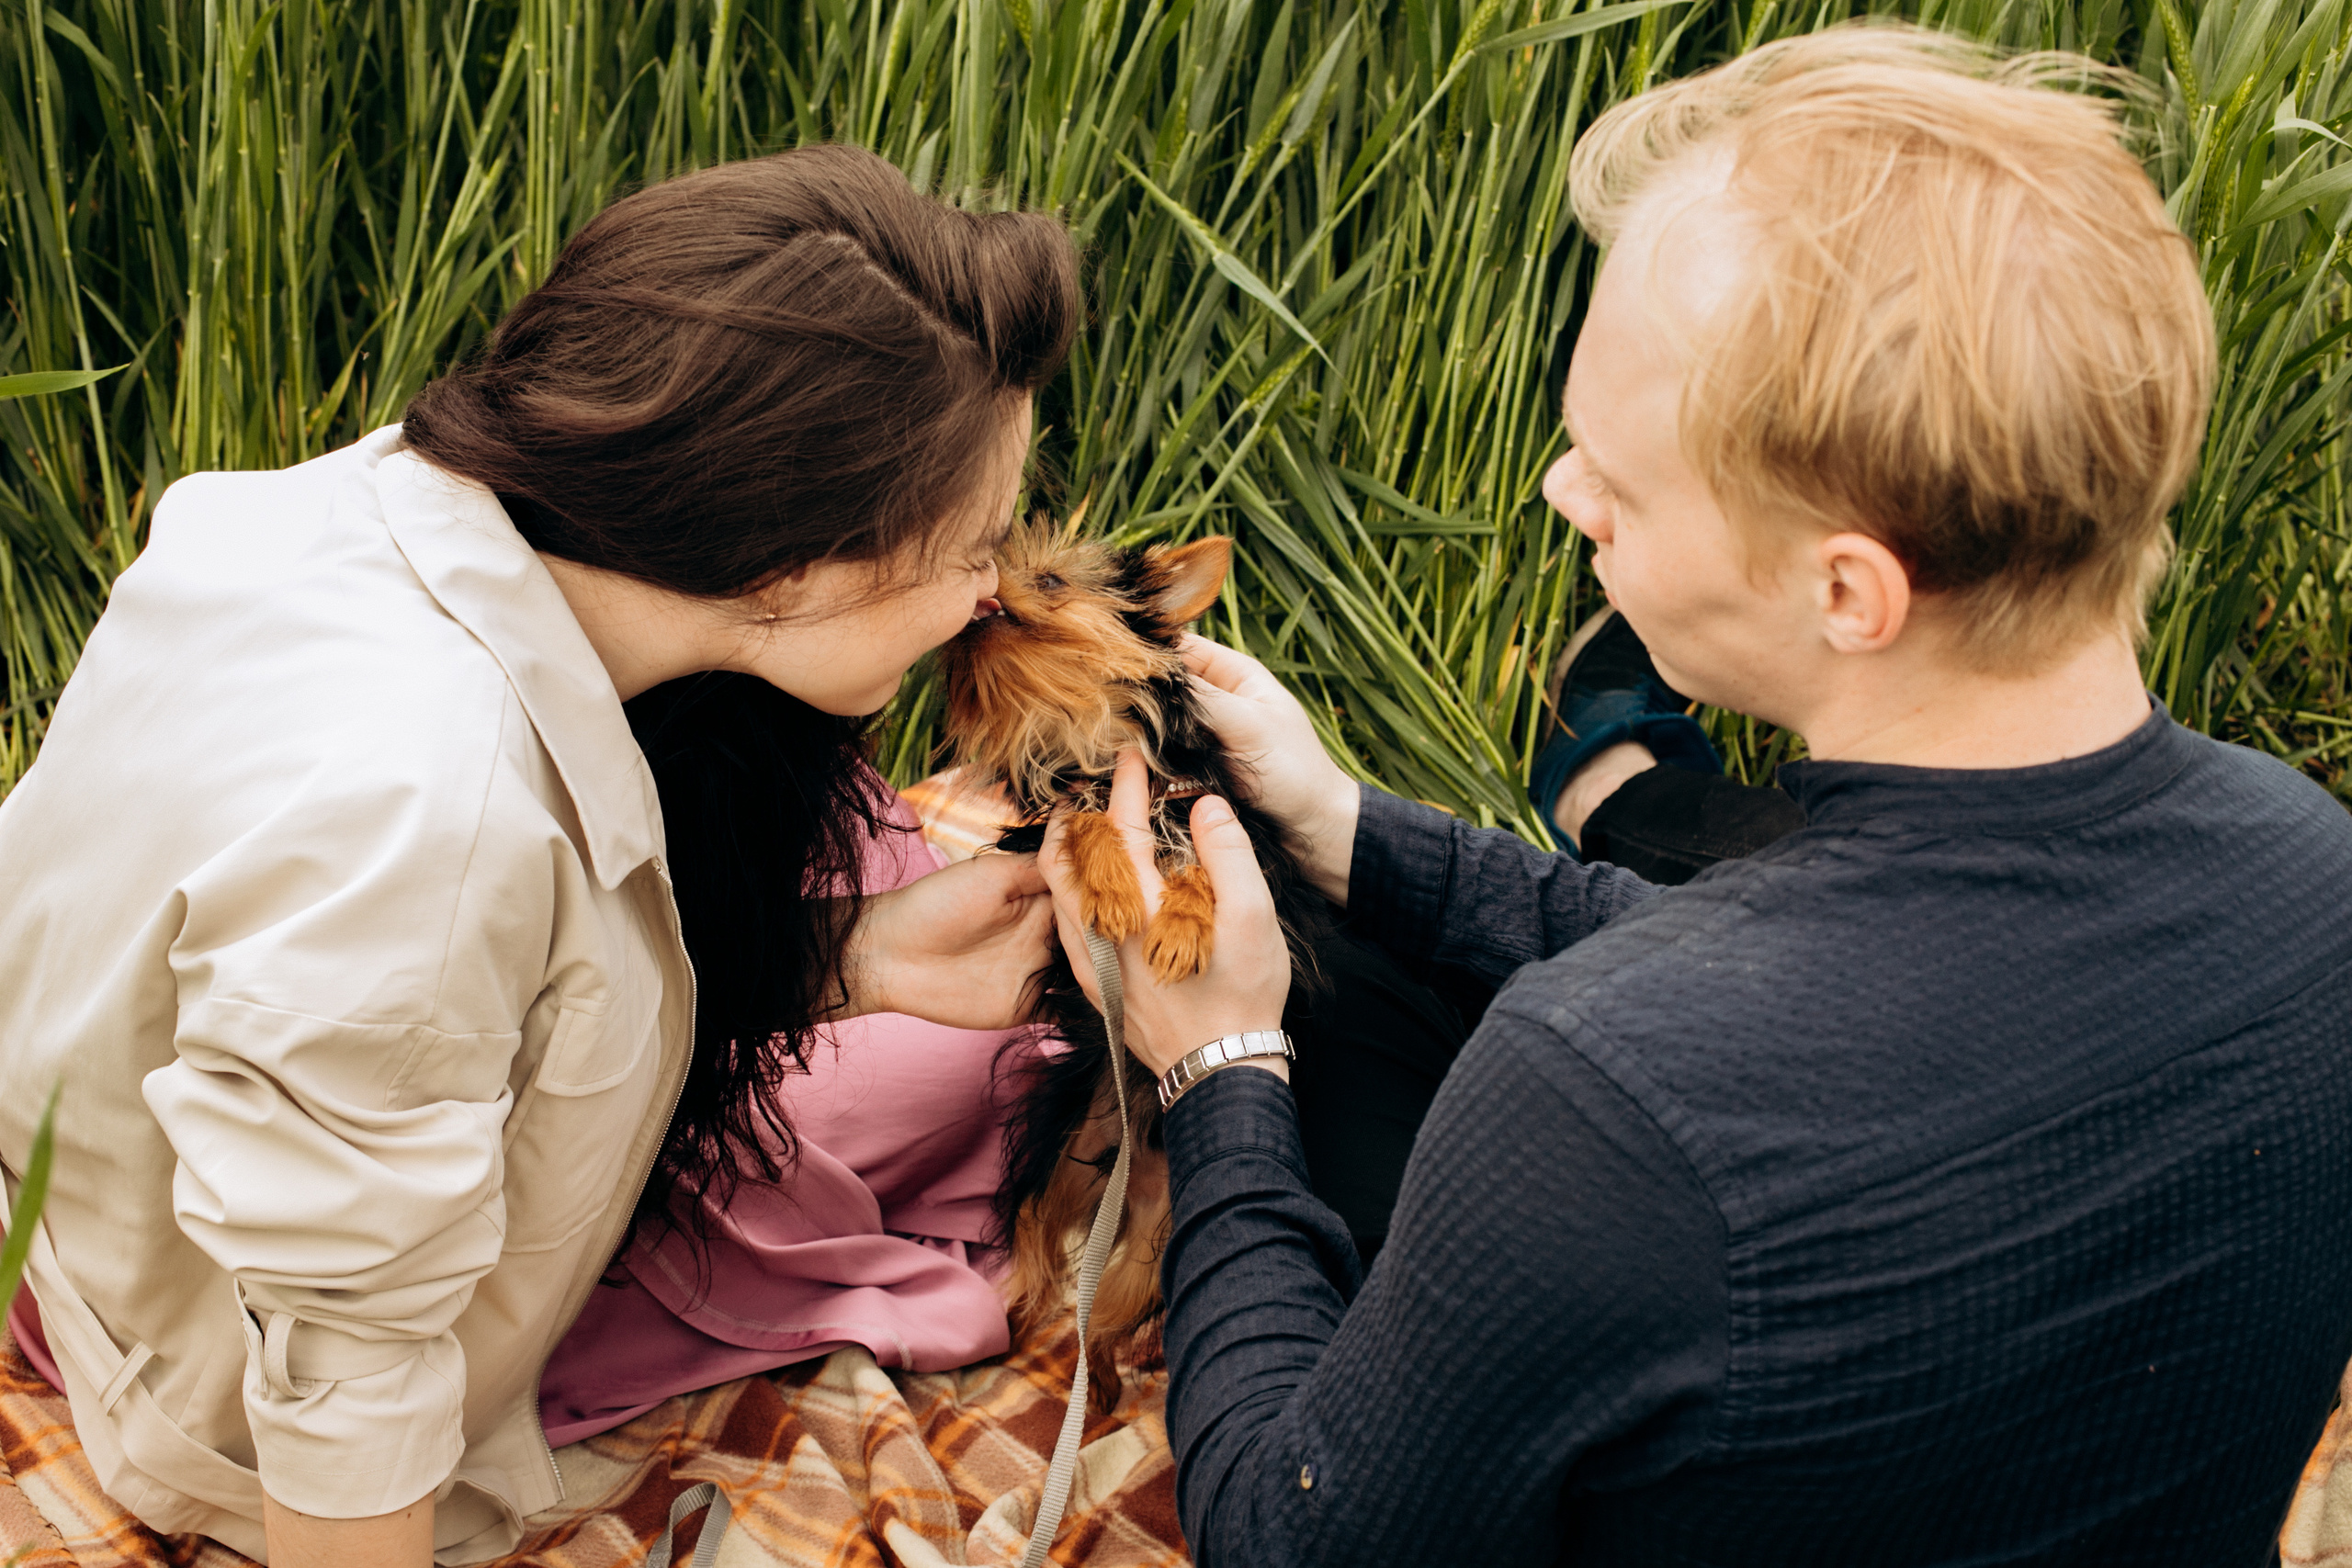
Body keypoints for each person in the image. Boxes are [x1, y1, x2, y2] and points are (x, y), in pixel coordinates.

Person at [1035, 27, 2352, 1567]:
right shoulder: (2310, 871)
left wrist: (1223, 1072)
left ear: (1847, 590)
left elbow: (1287, 1540)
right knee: (1381, 957)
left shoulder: (1597, 1094)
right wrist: (1347, 827)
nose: (1560, 493)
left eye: (1617, 473)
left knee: (1339, 1051)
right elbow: (1787, 964)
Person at [0, 145, 1080, 1567]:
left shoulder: (364, 498)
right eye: (973, 543)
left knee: (918, 983)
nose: (991, 589)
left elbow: (412, 997)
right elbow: (344, 1375)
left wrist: (858, 956)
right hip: (184, 1362)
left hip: (79, 1175)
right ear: (788, 572)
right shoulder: (431, 827)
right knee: (981, 1098)